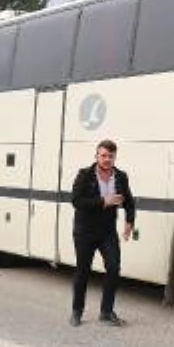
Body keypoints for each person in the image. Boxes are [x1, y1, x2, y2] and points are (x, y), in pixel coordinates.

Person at [70, 139, 135, 327]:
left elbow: (129, 201)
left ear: (115, 157)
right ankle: (76, 312)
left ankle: (106, 312)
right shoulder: (85, 175)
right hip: (85, 232)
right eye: (103, 155)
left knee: (114, 268)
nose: (107, 159)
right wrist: (103, 202)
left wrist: (129, 221)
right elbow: (76, 201)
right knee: (83, 271)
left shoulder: (121, 177)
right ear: (97, 156)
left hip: (107, 232)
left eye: (110, 156)